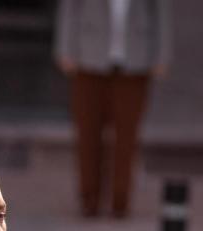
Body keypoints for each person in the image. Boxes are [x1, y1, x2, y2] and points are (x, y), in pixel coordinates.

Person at [54, 0, 172, 218]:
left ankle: (121, 199)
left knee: (127, 135)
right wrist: (65, 49)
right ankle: (89, 199)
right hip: (89, 55)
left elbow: (160, 12)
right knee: (88, 133)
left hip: (135, 59)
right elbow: (70, 8)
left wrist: (161, 55)